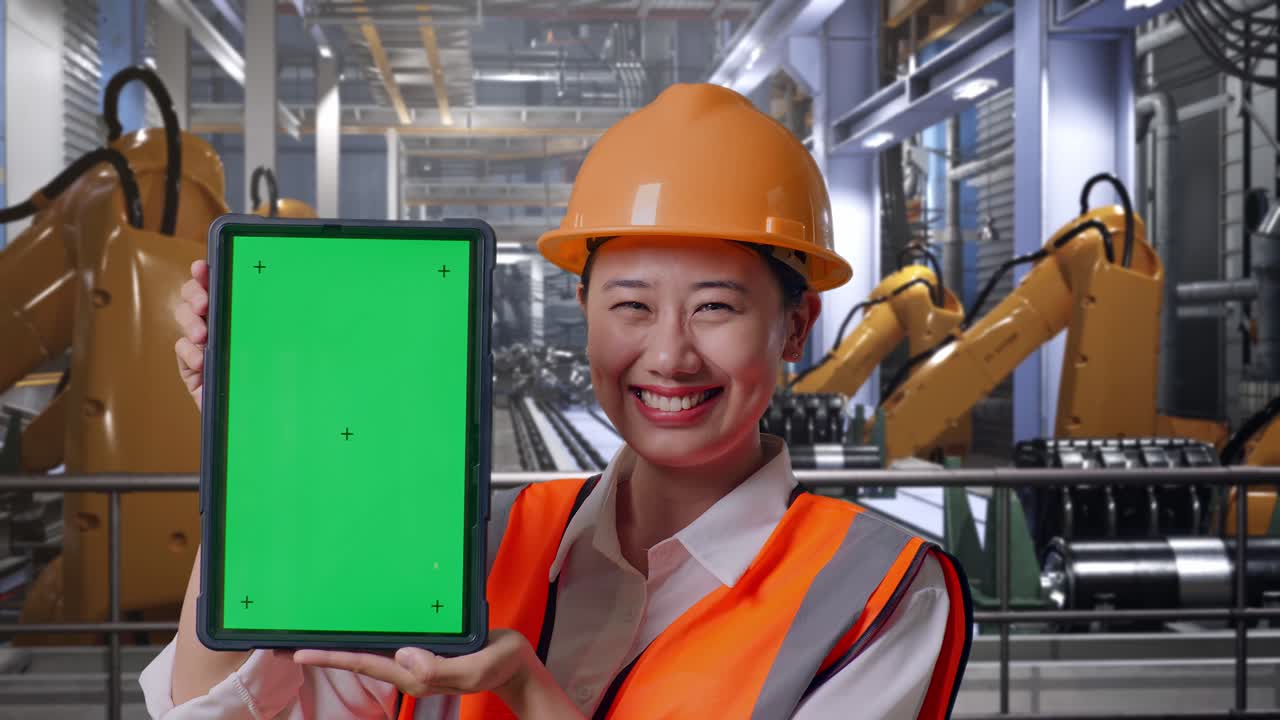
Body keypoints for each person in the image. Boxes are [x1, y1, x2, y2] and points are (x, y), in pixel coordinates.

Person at [143, 82, 972, 719]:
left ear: (795, 327)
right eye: (631, 305)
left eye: (715, 306)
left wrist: (525, 691)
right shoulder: (479, 545)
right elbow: (221, 711)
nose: (669, 354)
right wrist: (247, 450)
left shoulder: (876, 595)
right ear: (584, 312)